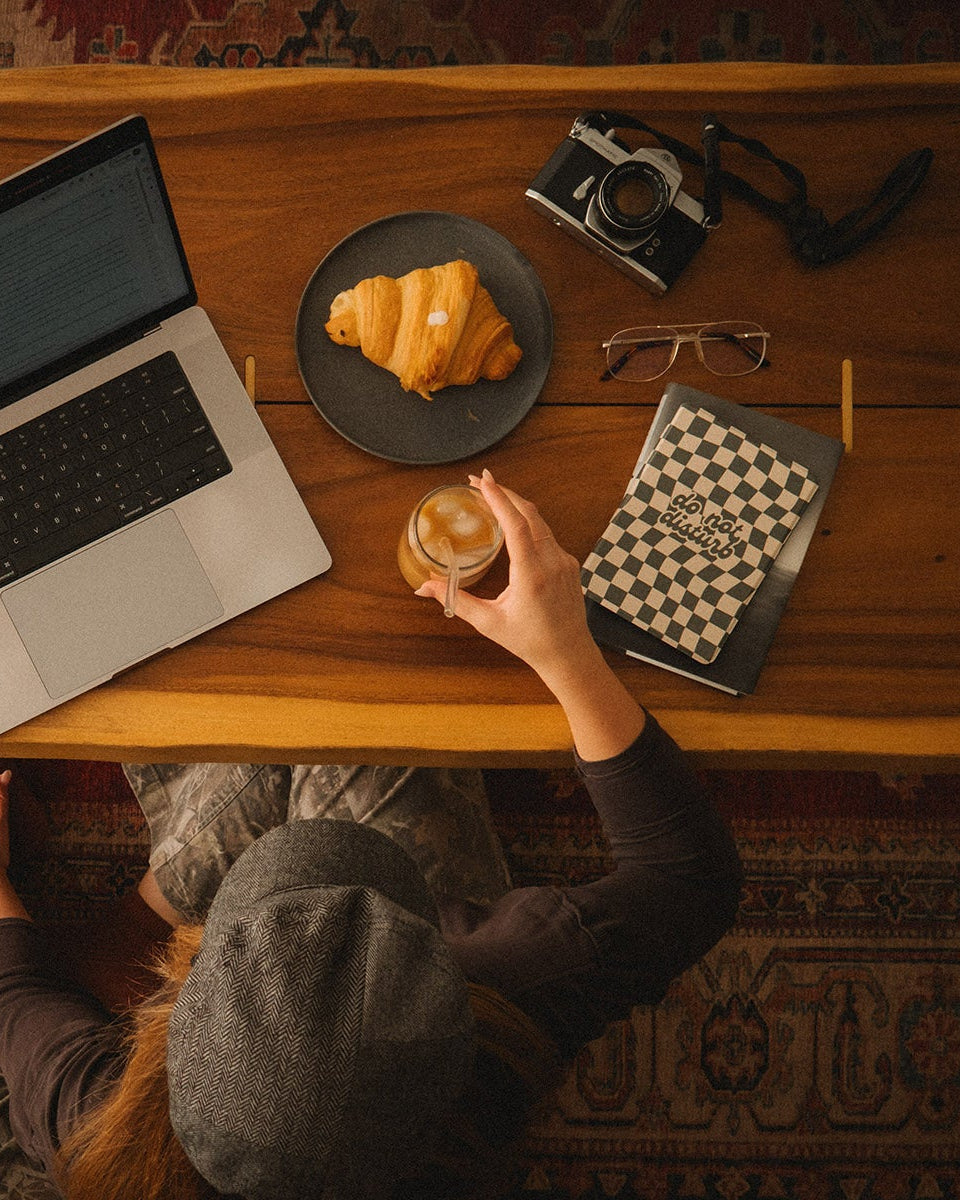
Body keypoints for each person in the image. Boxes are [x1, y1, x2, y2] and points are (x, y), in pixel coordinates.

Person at [0, 471, 743, 1200]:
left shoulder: (100, 1137)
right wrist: (567, 653)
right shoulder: (513, 992)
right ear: (450, 987)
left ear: (169, 1042)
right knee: (362, 730)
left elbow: (14, 987)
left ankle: (143, 915)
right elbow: (690, 880)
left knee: (268, 730)